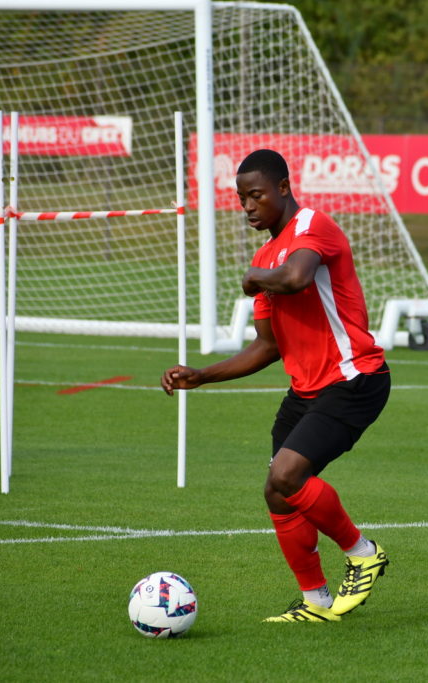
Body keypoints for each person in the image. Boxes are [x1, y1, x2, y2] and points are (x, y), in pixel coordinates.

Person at [161, 149, 391, 621]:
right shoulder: (264, 256)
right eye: (241, 198)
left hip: (354, 378)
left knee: (287, 475)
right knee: (278, 491)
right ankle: (316, 601)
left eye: (256, 195)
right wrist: (201, 376)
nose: (248, 206)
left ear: (283, 188)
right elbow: (267, 346)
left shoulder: (312, 226)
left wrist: (255, 278)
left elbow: (296, 277)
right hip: (305, 390)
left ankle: (363, 552)